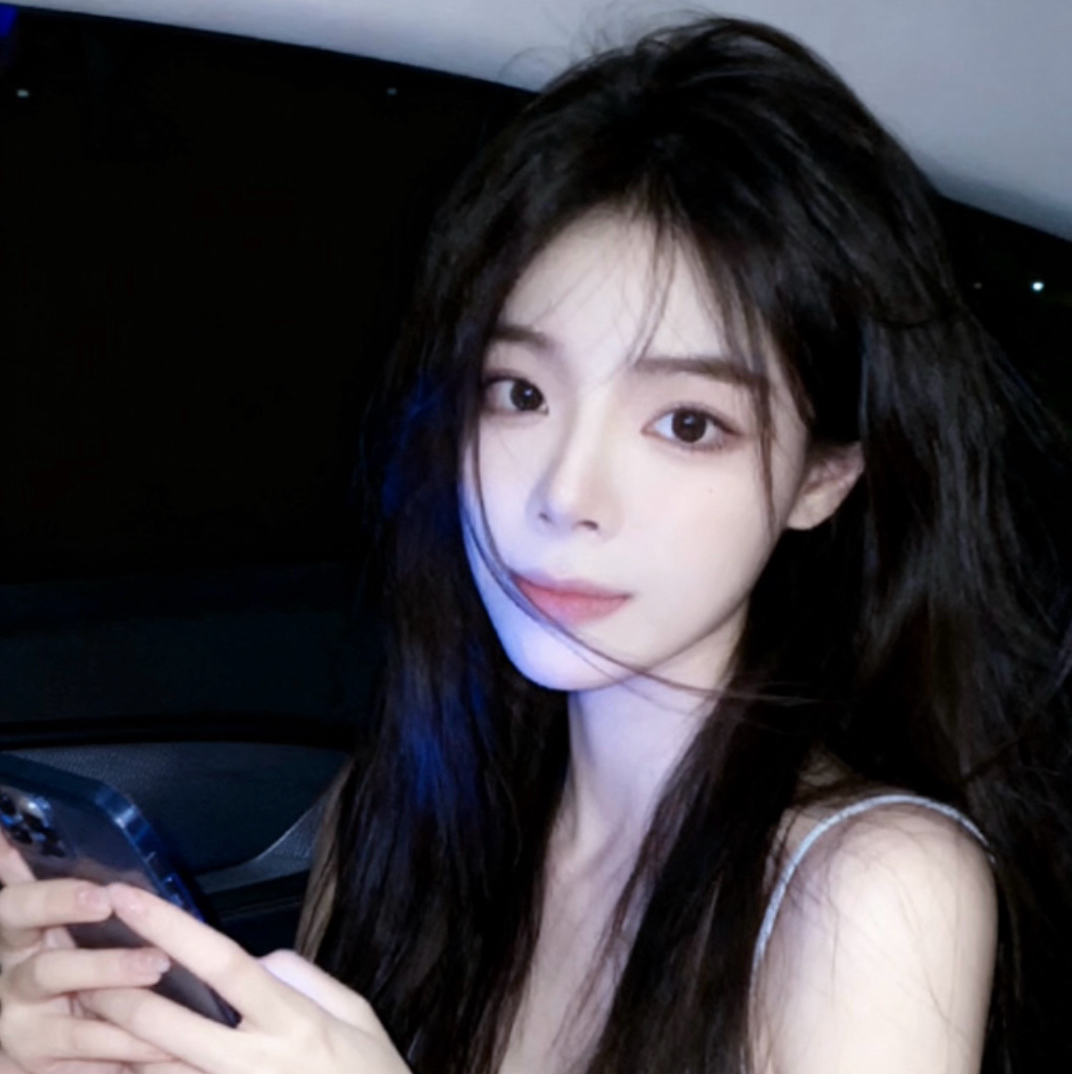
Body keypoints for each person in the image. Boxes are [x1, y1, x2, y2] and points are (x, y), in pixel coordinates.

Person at [1, 15, 1070, 1074]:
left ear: (821, 479)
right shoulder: (391, 817)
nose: (564, 495)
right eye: (519, 394)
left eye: (686, 423)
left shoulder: (871, 888)